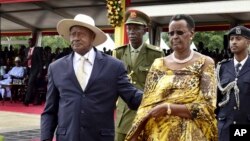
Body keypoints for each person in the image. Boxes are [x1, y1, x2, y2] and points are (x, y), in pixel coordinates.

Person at [40, 14, 142, 141]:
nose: (76, 38)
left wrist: (162, 97)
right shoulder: (56, 68)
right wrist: (45, 138)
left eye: (81, 34)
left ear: (92, 37)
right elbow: (50, 110)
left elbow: (133, 97)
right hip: (67, 137)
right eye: (73, 34)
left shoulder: (114, 66)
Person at [125, 14, 218, 141]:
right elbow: (146, 104)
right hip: (157, 134)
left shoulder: (205, 63)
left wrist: (168, 108)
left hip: (191, 134)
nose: (175, 37)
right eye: (171, 33)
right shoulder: (158, 64)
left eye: (180, 32)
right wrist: (136, 132)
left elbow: (207, 107)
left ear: (192, 34)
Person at [114, 9, 164, 141]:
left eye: (136, 28)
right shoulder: (119, 53)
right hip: (123, 110)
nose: (131, 32)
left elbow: (161, 85)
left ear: (145, 31)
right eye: (129, 28)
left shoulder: (155, 54)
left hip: (146, 109)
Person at [216, 25, 250, 141]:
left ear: (248, 42)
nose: (234, 42)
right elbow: (216, 99)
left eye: (238, 39)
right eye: (231, 39)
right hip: (224, 126)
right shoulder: (222, 67)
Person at [23, 37, 43, 106]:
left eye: (30, 42)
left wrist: (40, 72)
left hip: (35, 69)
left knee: (30, 84)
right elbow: (24, 61)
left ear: (34, 42)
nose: (29, 43)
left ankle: (26, 101)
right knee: (34, 86)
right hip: (28, 69)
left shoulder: (38, 50)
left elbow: (40, 61)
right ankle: (38, 100)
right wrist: (27, 58)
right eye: (28, 42)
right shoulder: (26, 50)